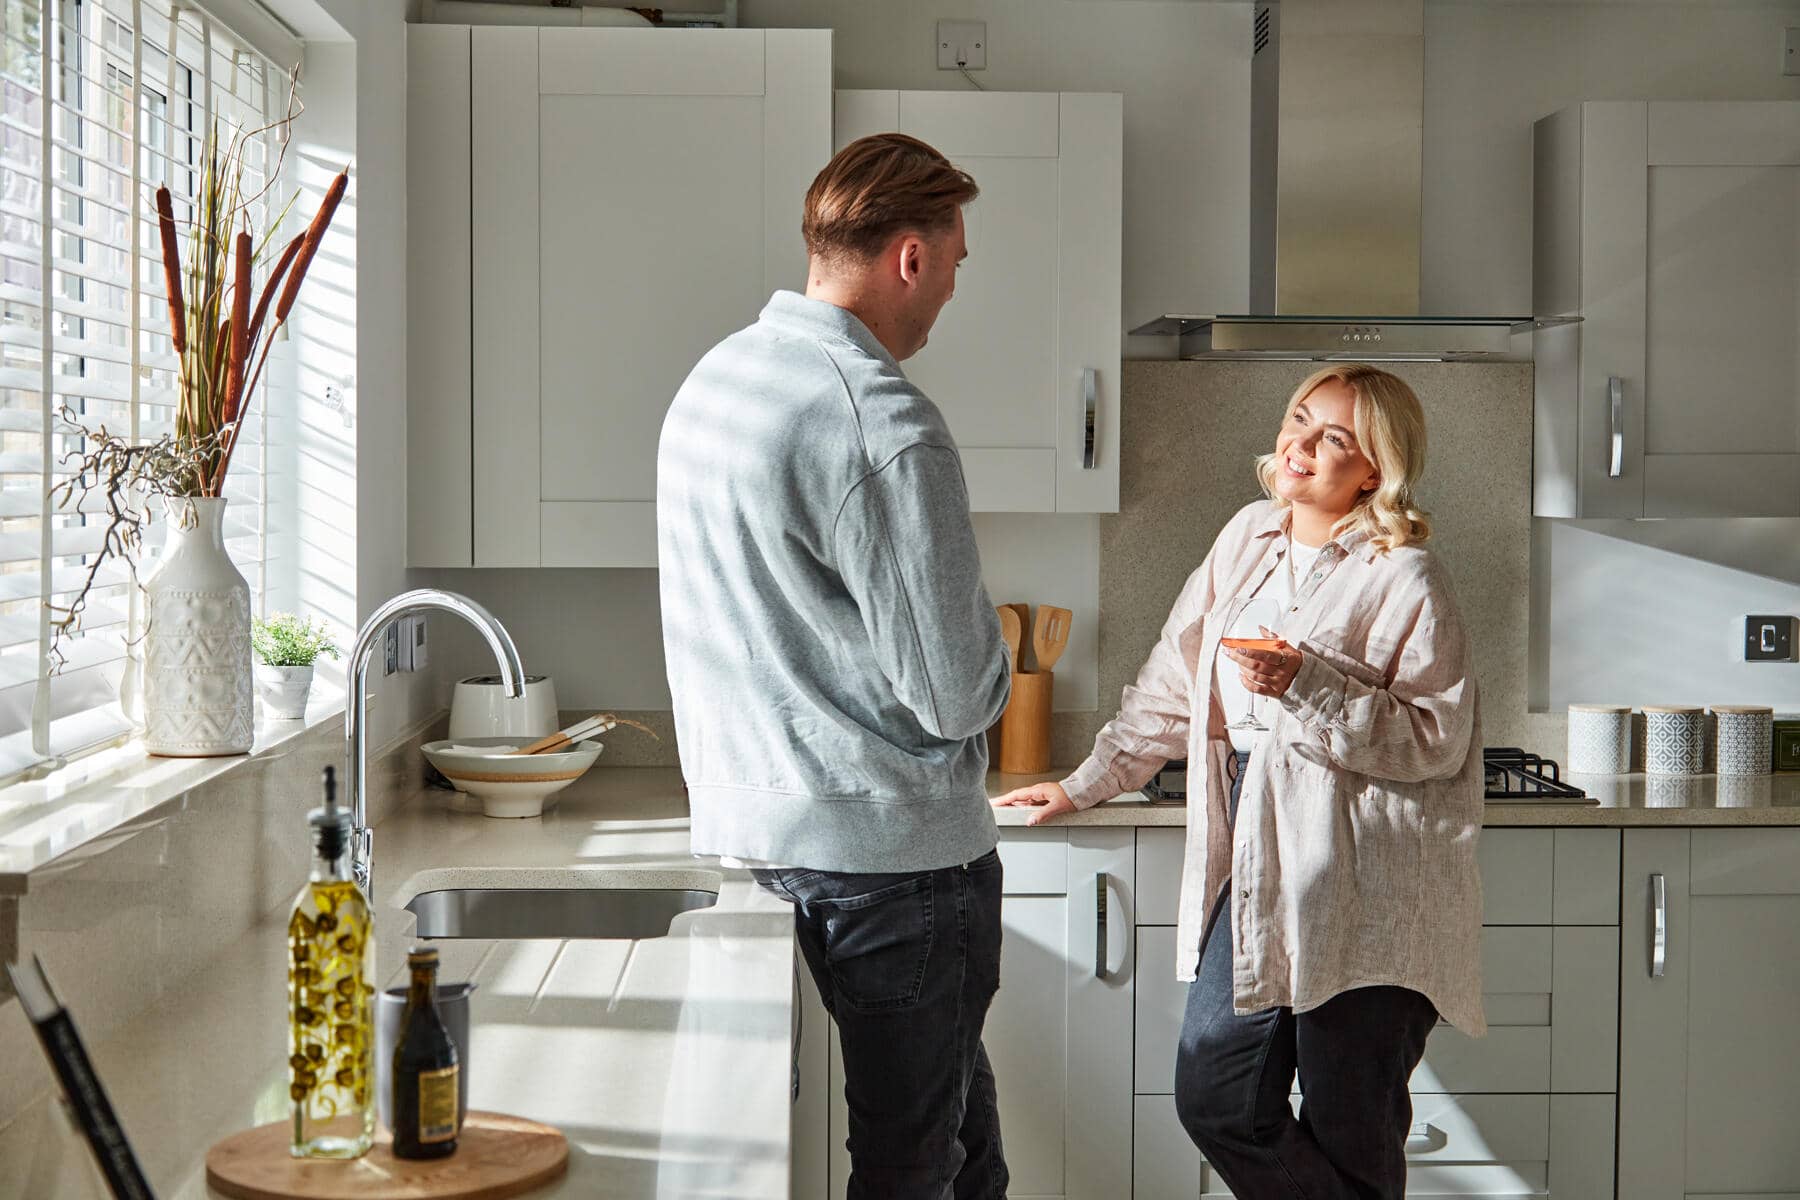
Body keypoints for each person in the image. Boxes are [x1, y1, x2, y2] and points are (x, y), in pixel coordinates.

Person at [995, 365, 1485, 1199]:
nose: (1301, 444)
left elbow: (1435, 741)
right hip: (1262, 851)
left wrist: (1308, 682)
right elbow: (1173, 679)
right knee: (1217, 1091)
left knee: (1351, 1123)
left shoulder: (1406, 576)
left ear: (1375, 468)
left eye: (1335, 437)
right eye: (1301, 419)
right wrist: (1088, 782)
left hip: (1367, 870)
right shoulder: (1249, 537)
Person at [657, 133, 1012, 1199]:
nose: (952, 283)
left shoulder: (719, 381)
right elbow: (954, 693)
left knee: (957, 1151)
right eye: (954, 258)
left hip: (759, 844)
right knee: (916, 1167)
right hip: (894, 865)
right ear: (910, 255)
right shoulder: (881, 418)